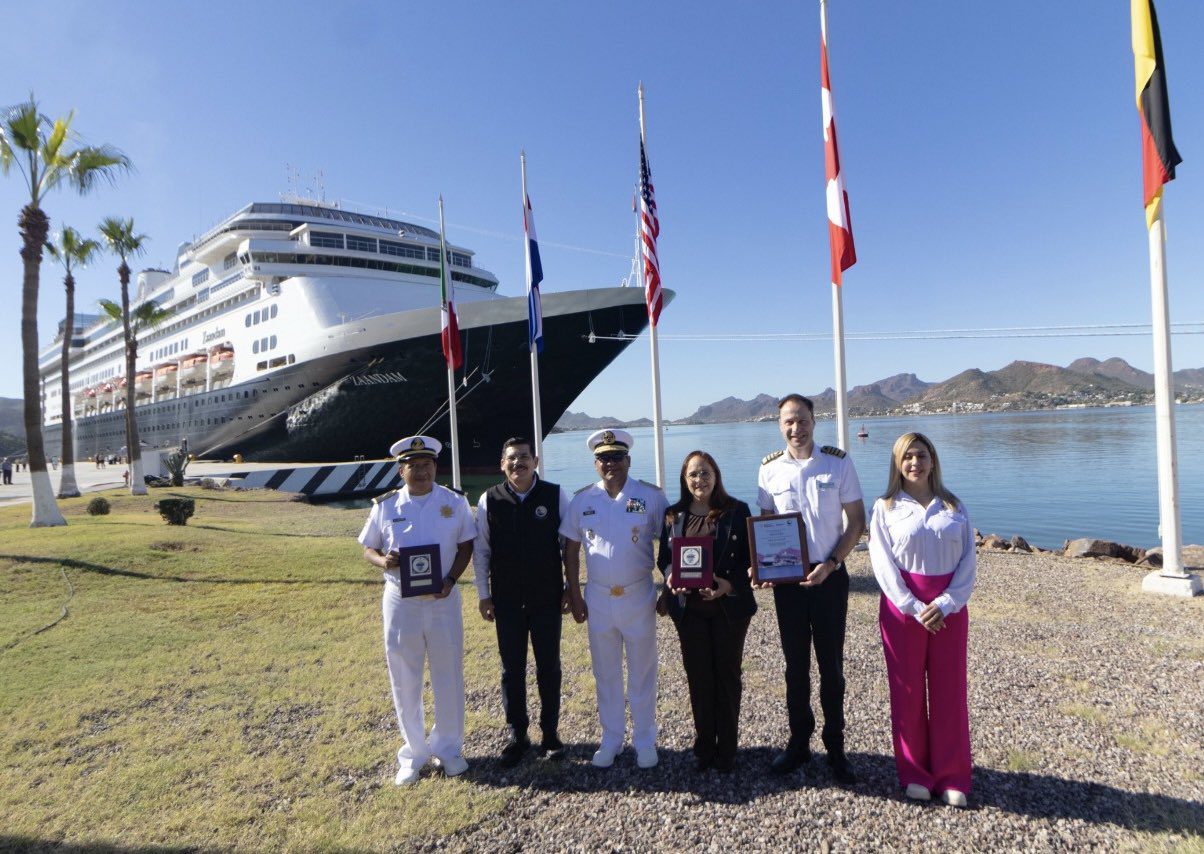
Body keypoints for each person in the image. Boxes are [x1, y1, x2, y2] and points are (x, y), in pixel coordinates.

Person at [757, 394, 866, 783]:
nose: (795, 428)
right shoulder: (769, 470)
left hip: (830, 580)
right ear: (780, 425)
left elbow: (856, 521)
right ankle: (798, 745)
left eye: (801, 420)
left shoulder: (838, 462)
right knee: (795, 668)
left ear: (813, 421)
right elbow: (766, 523)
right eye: (788, 421)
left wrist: (831, 564)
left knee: (831, 668)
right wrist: (763, 566)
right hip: (788, 586)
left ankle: (836, 748)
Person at [358, 435, 476, 785]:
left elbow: (466, 546)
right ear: (401, 470)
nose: (421, 471)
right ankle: (413, 753)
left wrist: (451, 580)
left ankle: (449, 748)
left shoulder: (454, 503)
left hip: (442, 600)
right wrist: (383, 561)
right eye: (413, 466)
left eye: (426, 465)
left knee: (448, 674)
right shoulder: (386, 505)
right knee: (404, 674)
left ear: (435, 467)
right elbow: (368, 548)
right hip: (400, 601)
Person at [868, 432, 976, 807]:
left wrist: (946, 603)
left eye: (921, 455)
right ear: (897, 464)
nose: (915, 463)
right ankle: (914, 773)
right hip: (902, 611)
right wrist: (913, 606)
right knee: (908, 692)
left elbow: (968, 563)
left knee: (950, 692)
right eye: (907, 457)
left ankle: (952, 776)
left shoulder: (954, 506)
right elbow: (881, 563)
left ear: (933, 460)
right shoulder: (885, 507)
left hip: (949, 612)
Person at [561, 428, 669, 769]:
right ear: (595, 464)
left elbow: (669, 546)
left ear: (628, 460)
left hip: (638, 594)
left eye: (617, 457)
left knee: (643, 670)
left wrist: (668, 587)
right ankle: (611, 739)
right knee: (605, 672)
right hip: (598, 597)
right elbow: (571, 548)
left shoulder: (650, 496)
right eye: (604, 458)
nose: (611, 464)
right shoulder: (582, 500)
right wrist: (574, 593)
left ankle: (645, 740)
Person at [656, 451, 756, 773]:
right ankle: (704, 748)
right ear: (685, 480)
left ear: (716, 474)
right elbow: (665, 558)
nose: (700, 480)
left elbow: (750, 559)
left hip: (728, 609)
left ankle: (727, 750)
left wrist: (729, 585)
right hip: (690, 611)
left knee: (727, 677)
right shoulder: (673, 515)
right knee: (698, 678)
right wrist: (671, 574)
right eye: (693, 475)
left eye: (705, 473)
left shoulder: (737, 510)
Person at [474, 437, 571, 767]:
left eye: (524, 457)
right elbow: (482, 551)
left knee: (549, 667)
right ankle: (518, 734)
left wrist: (571, 588)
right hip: (507, 600)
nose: (519, 463)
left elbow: (568, 547)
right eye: (512, 459)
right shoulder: (490, 499)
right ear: (502, 464)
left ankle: (550, 733)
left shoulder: (556, 495)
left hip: (546, 598)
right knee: (511, 669)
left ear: (536, 461)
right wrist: (483, 595)